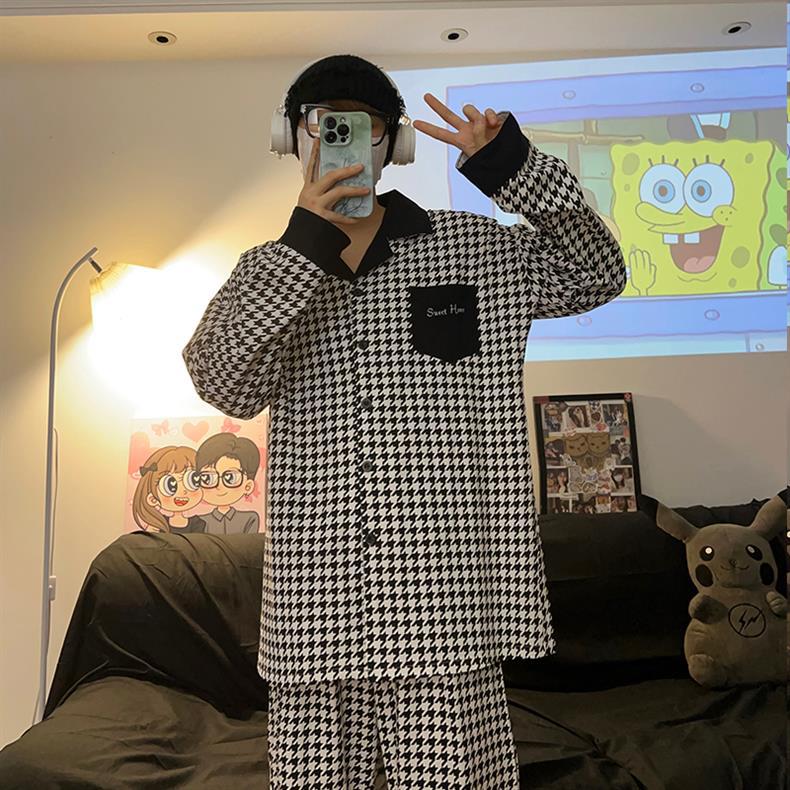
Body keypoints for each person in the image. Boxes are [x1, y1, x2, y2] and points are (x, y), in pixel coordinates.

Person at [181, 53, 627, 789]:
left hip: (445, 598)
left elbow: (596, 273)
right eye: (323, 125)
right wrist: (304, 247)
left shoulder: (477, 250)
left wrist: (514, 168)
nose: (342, 141)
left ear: (393, 142)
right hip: (315, 603)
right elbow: (224, 382)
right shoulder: (271, 268)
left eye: (362, 126)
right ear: (292, 138)